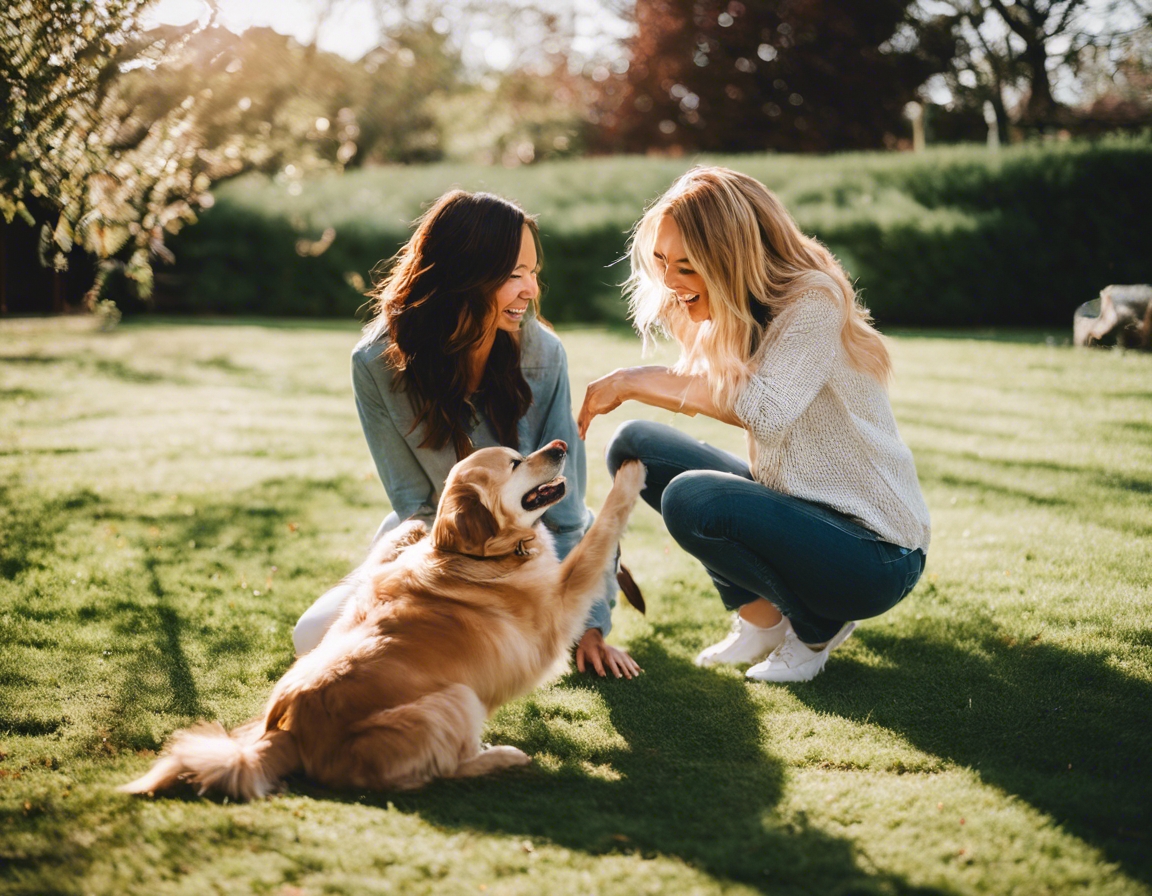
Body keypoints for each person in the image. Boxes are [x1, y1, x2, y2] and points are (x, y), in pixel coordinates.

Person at [577, 166, 930, 683]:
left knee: (690, 498)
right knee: (635, 449)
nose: (671, 283)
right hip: (801, 508)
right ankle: (762, 622)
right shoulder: (738, 307)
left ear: (730, 257)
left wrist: (632, 380)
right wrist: (644, 378)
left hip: (876, 553)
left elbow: (766, 411)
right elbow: (713, 388)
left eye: (687, 267)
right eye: (661, 262)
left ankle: (816, 627)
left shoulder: (812, 300)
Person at [294, 189, 640, 679]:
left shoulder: (544, 356)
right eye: (515, 275)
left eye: (533, 273)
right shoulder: (375, 363)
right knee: (313, 640)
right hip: (439, 543)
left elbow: (563, 510)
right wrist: (429, 589)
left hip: (532, 550)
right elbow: (416, 506)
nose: (531, 290)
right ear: (464, 274)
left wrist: (590, 624)